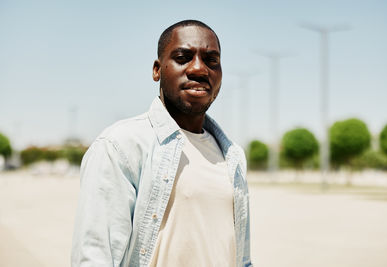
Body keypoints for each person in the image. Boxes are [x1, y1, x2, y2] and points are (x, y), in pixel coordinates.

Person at [71, 19, 252, 267]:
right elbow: (95, 257)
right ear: (157, 70)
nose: (199, 69)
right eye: (182, 57)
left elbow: (240, 256)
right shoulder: (121, 146)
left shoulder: (233, 156)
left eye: (212, 60)